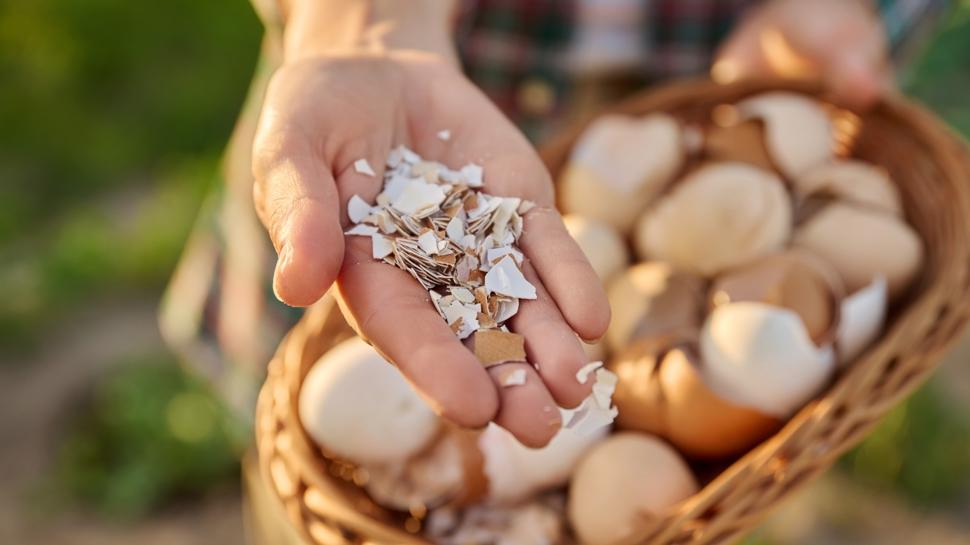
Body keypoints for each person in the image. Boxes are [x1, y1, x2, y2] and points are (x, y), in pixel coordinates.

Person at [161, 0, 949, 448]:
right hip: (409, 87)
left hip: (704, 100)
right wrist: (363, 21)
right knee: (324, 437)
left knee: (650, 442)